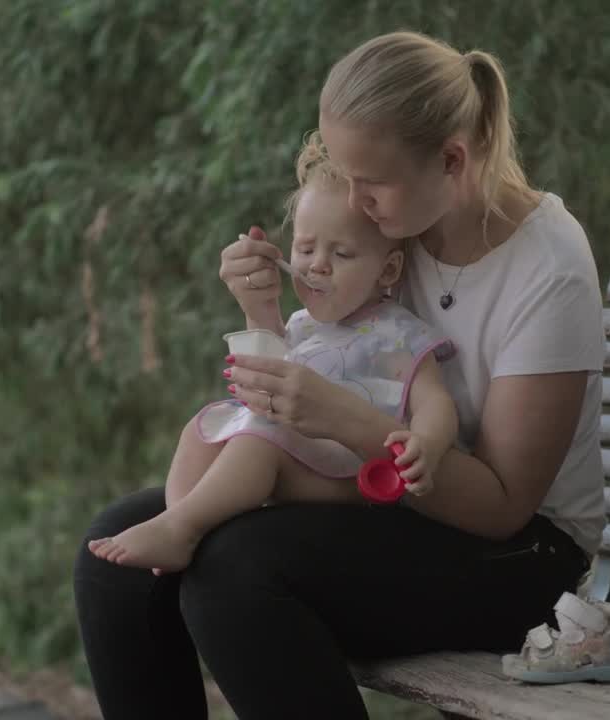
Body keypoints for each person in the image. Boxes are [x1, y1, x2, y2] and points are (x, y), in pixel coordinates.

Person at [73, 31, 610, 719]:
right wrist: (259, 304)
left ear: (452, 160)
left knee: (237, 571)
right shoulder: (394, 229)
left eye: (370, 183)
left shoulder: (547, 267)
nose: (354, 201)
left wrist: (349, 422)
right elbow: (309, 360)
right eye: (343, 172)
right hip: (390, 506)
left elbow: (505, 504)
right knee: (114, 556)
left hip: (528, 556)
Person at [85, 143, 457, 574]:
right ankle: (184, 527)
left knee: (258, 440)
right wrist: (259, 307)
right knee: (201, 430)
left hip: (350, 477)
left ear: (388, 271)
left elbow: (436, 402)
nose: (318, 266)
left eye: (342, 254)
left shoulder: (399, 331)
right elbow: (259, 388)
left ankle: (181, 528)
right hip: (292, 459)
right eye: (305, 249)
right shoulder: (300, 325)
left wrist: (426, 443)